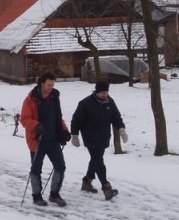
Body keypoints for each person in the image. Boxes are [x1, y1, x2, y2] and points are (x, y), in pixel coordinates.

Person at [70, 81, 128, 200]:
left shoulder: (109, 102)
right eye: (102, 93)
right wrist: (74, 135)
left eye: (106, 92)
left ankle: (87, 182)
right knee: (98, 161)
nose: (104, 95)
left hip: (104, 136)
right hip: (90, 136)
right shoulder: (85, 103)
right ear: (96, 92)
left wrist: (121, 129)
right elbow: (76, 119)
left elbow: (116, 116)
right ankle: (106, 188)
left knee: (95, 160)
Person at [20, 72, 71, 207]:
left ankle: (54, 194)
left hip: (53, 139)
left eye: (52, 85)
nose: (50, 87)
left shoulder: (54, 97)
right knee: (36, 169)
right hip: (38, 140)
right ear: (42, 83)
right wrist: (36, 126)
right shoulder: (30, 99)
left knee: (60, 166)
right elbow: (24, 119)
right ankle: (37, 196)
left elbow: (57, 117)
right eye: (48, 84)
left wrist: (64, 130)